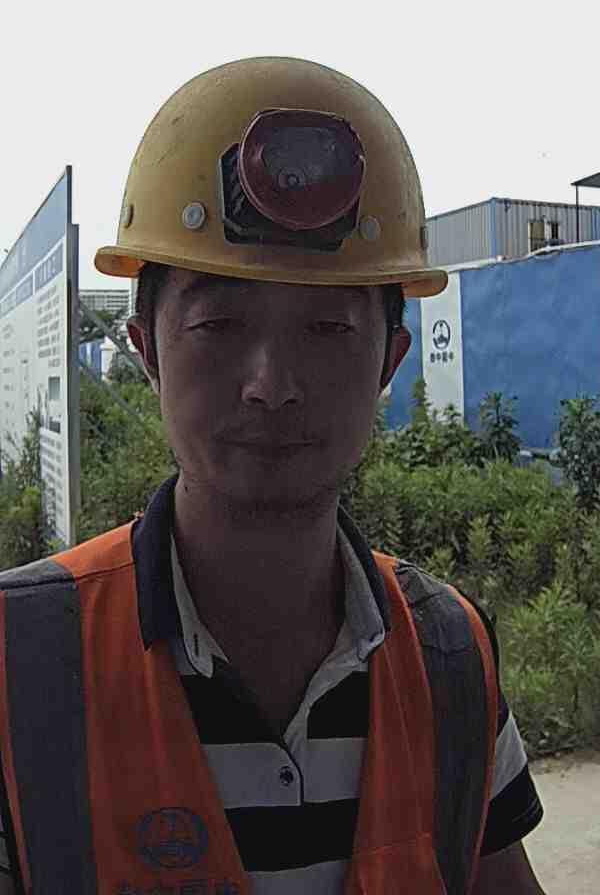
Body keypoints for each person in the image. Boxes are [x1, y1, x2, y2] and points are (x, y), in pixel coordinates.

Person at [0, 58, 546, 894]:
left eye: (328, 328)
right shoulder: (18, 662)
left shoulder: (448, 655)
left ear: (390, 361)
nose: (272, 384)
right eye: (219, 323)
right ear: (146, 351)